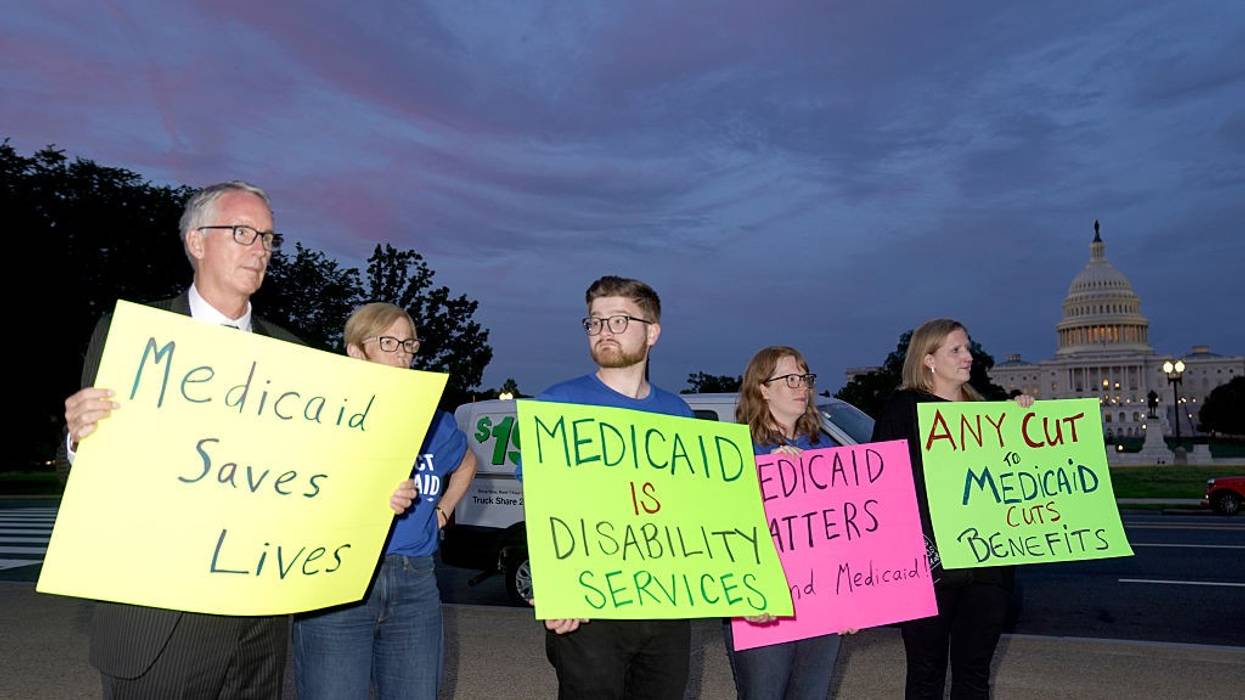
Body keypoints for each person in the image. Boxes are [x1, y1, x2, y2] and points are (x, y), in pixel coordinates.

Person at [60, 181, 306, 698]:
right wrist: (79, 442)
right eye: (243, 232)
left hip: (257, 620)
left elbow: (309, 473)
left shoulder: (293, 353)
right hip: (159, 616)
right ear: (196, 241)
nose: (260, 248)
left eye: (267, 237)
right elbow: (85, 469)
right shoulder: (133, 334)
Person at [293, 302, 477, 699]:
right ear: (357, 351)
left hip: (415, 580)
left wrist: (444, 509)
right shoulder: (322, 414)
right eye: (389, 343)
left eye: (409, 344)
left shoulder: (435, 420)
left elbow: (467, 462)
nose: (402, 354)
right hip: (336, 577)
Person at [523, 275, 694, 700]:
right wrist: (557, 585)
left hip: (667, 603)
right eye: (595, 321)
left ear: (652, 332)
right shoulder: (557, 405)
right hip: (590, 603)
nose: (603, 331)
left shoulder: (678, 413)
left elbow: (693, 509)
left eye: (619, 321)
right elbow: (544, 502)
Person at [870, 318, 1032, 700]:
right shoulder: (902, 410)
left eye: (967, 348)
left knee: (974, 675)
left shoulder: (988, 413)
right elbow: (880, 488)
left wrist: (1025, 418)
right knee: (926, 674)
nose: (968, 357)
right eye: (956, 350)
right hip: (928, 568)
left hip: (989, 568)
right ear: (928, 359)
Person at [724, 346, 849, 700]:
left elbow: (847, 534)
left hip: (821, 600)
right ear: (762, 388)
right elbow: (723, 530)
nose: (801, 387)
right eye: (789, 378)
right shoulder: (735, 452)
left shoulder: (825, 448)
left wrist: (853, 602)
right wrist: (765, 479)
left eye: (805, 378)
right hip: (763, 600)